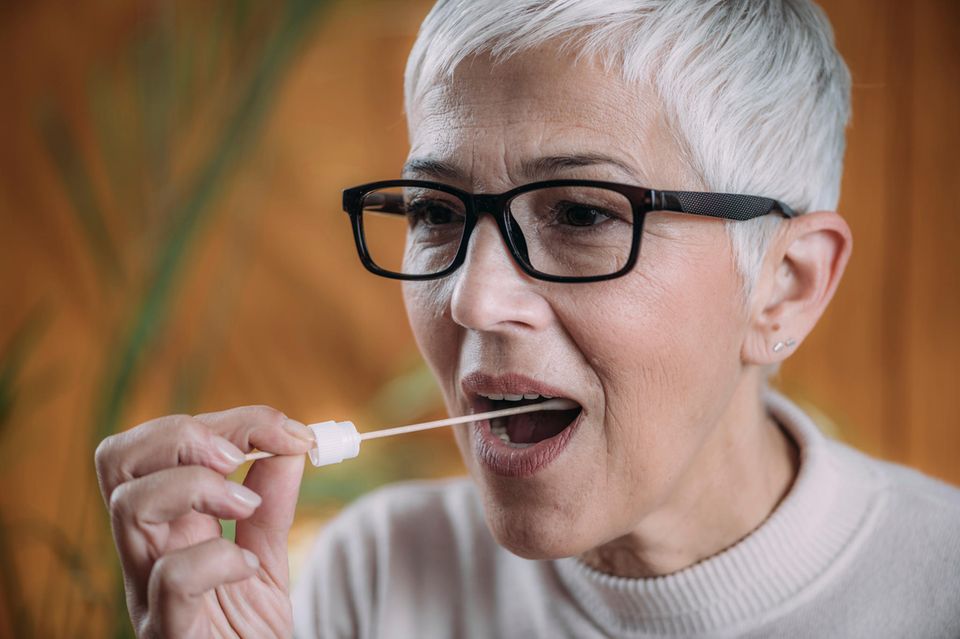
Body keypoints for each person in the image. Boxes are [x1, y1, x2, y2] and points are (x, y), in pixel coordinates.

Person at [95, 1, 960, 637]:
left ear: (787, 285)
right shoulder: (367, 581)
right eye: (436, 212)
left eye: (582, 214)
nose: (472, 299)